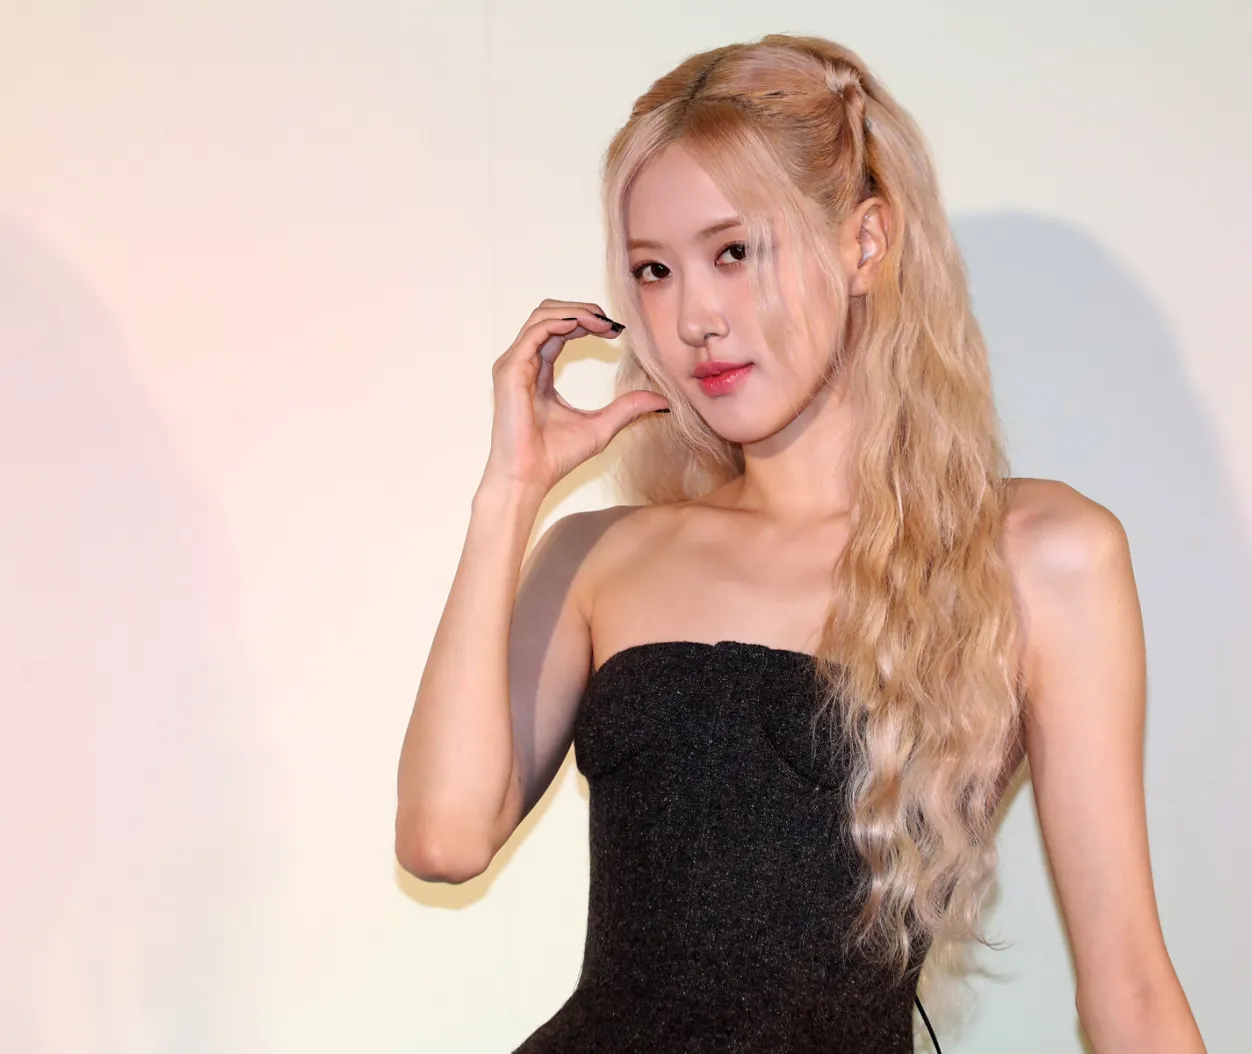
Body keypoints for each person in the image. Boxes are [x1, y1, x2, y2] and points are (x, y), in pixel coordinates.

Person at [395, 33, 1206, 1054]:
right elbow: (443, 838)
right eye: (654, 271)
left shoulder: (1040, 555)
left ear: (864, 243)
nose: (694, 316)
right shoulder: (601, 555)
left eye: (735, 252)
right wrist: (508, 494)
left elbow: (1129, 987)